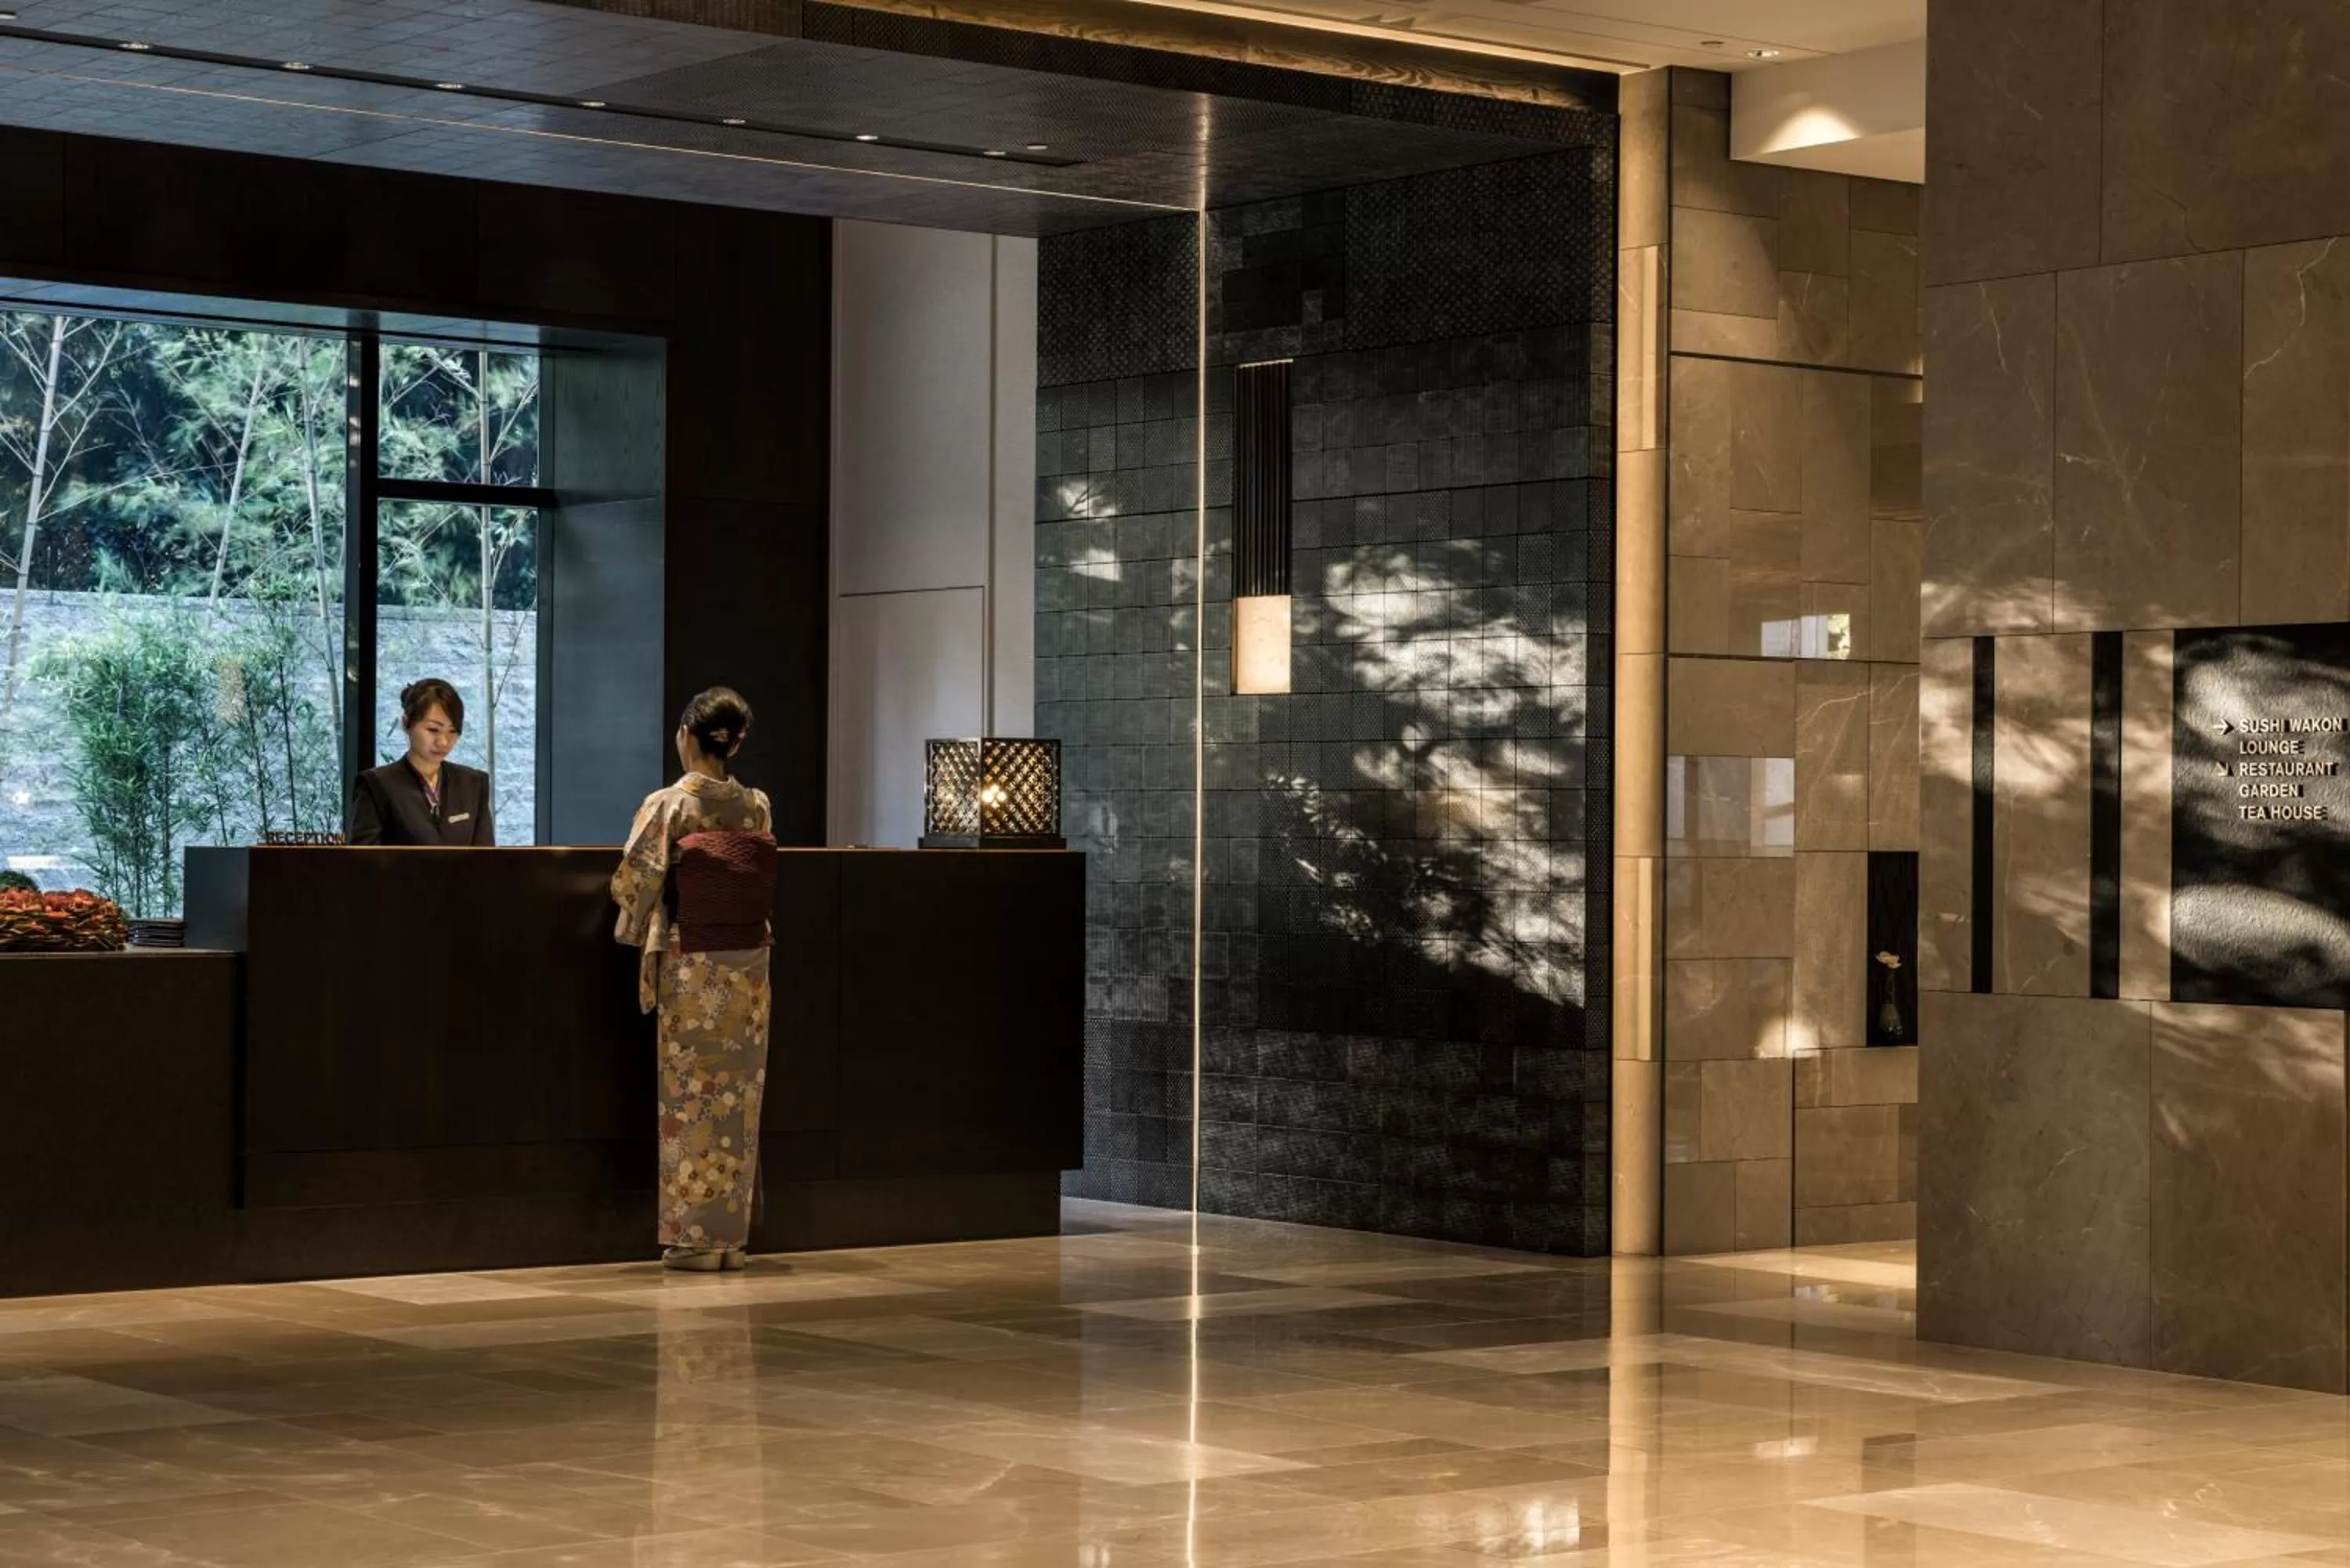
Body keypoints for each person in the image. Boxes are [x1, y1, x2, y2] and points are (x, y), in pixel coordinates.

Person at [610, 688, 779, 1272]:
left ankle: (693, 1240)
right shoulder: (755, 807)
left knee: (691, 1099)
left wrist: (635, 920)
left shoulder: (671, 807)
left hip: (696, 967)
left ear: (687, 735)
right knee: (735, 1103)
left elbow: (633, 884)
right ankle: (730, 1239)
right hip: (750, 970)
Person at [346, 678, 494, 846]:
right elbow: (363, 864)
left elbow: (485, 860)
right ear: (406, 723)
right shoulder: (377, 785)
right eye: (433, 729)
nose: (444, 742)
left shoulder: (473, 784)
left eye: (452, 731)